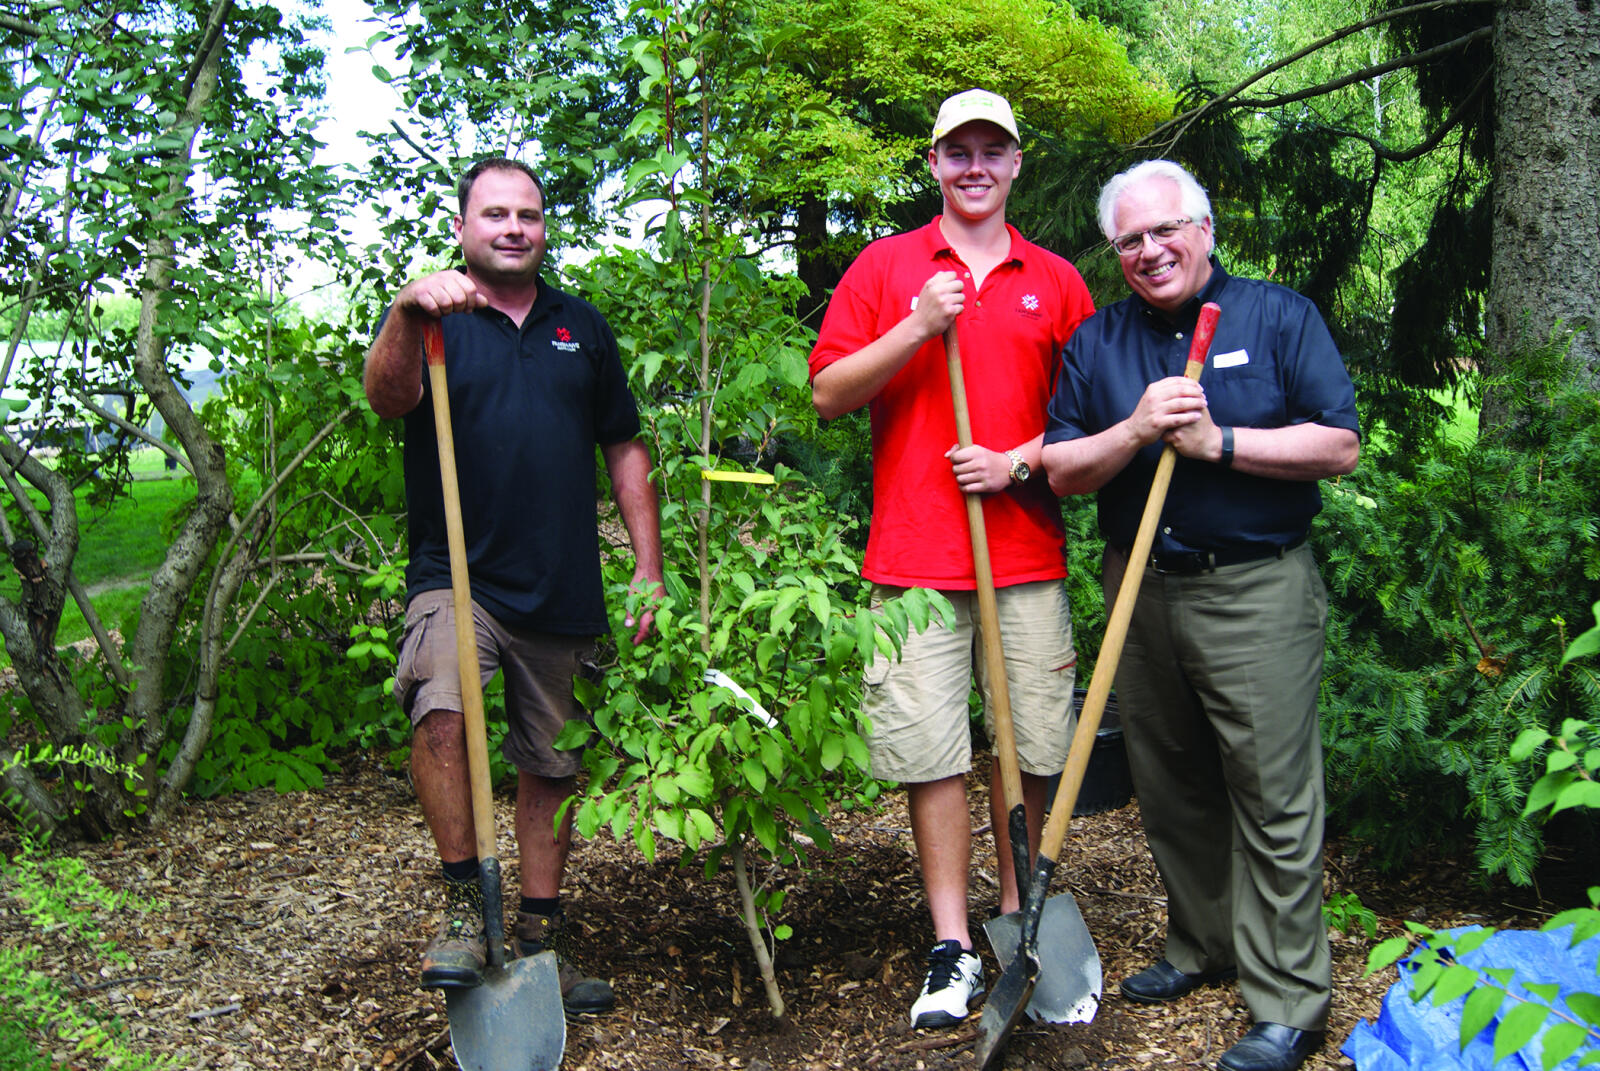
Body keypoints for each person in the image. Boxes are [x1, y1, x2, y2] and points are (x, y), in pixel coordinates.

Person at [1041, 159, 1359, 1071]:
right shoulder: (1098, 344)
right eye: (1129, 240)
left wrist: (1219, 441)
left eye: (1165, 230)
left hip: (1254, 587)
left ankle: (1290, 1000)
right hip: (1139, 587)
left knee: (1272, 795)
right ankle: (1202, 943)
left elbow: (1336, 442)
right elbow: (1064, 469)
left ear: (1205, 229)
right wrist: (1139, 427)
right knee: (1172, 781)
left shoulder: (1277, 317)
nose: (1149, 251)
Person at [809, 89, 1094, 1030]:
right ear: (932, 163)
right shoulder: (888, 268)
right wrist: (918, 326)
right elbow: (829, 394)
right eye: (957, 151)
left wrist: (1015, 463)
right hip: (915, 558)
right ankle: (951, 943)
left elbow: (1085, 430)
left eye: (993, 151)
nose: (975, 166)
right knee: (930, 751)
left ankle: (1021, 915)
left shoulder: (1053, 280)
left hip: (1023, 551)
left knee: (1035, 744)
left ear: (1017, 165)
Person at [364, 157, 664, 1013]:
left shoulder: (582, 326)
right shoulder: (433, 321)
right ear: (463, 227)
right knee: (442, 703)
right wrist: (403, 310)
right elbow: (387, 400)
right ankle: (466, 900)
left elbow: (625, 448)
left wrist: (647, 566)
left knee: (553, 765)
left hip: (561, 584)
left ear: (542, 227)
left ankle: (537, 942)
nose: (513, 228)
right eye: (494, 213)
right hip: (458, 577)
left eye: (527, 214)